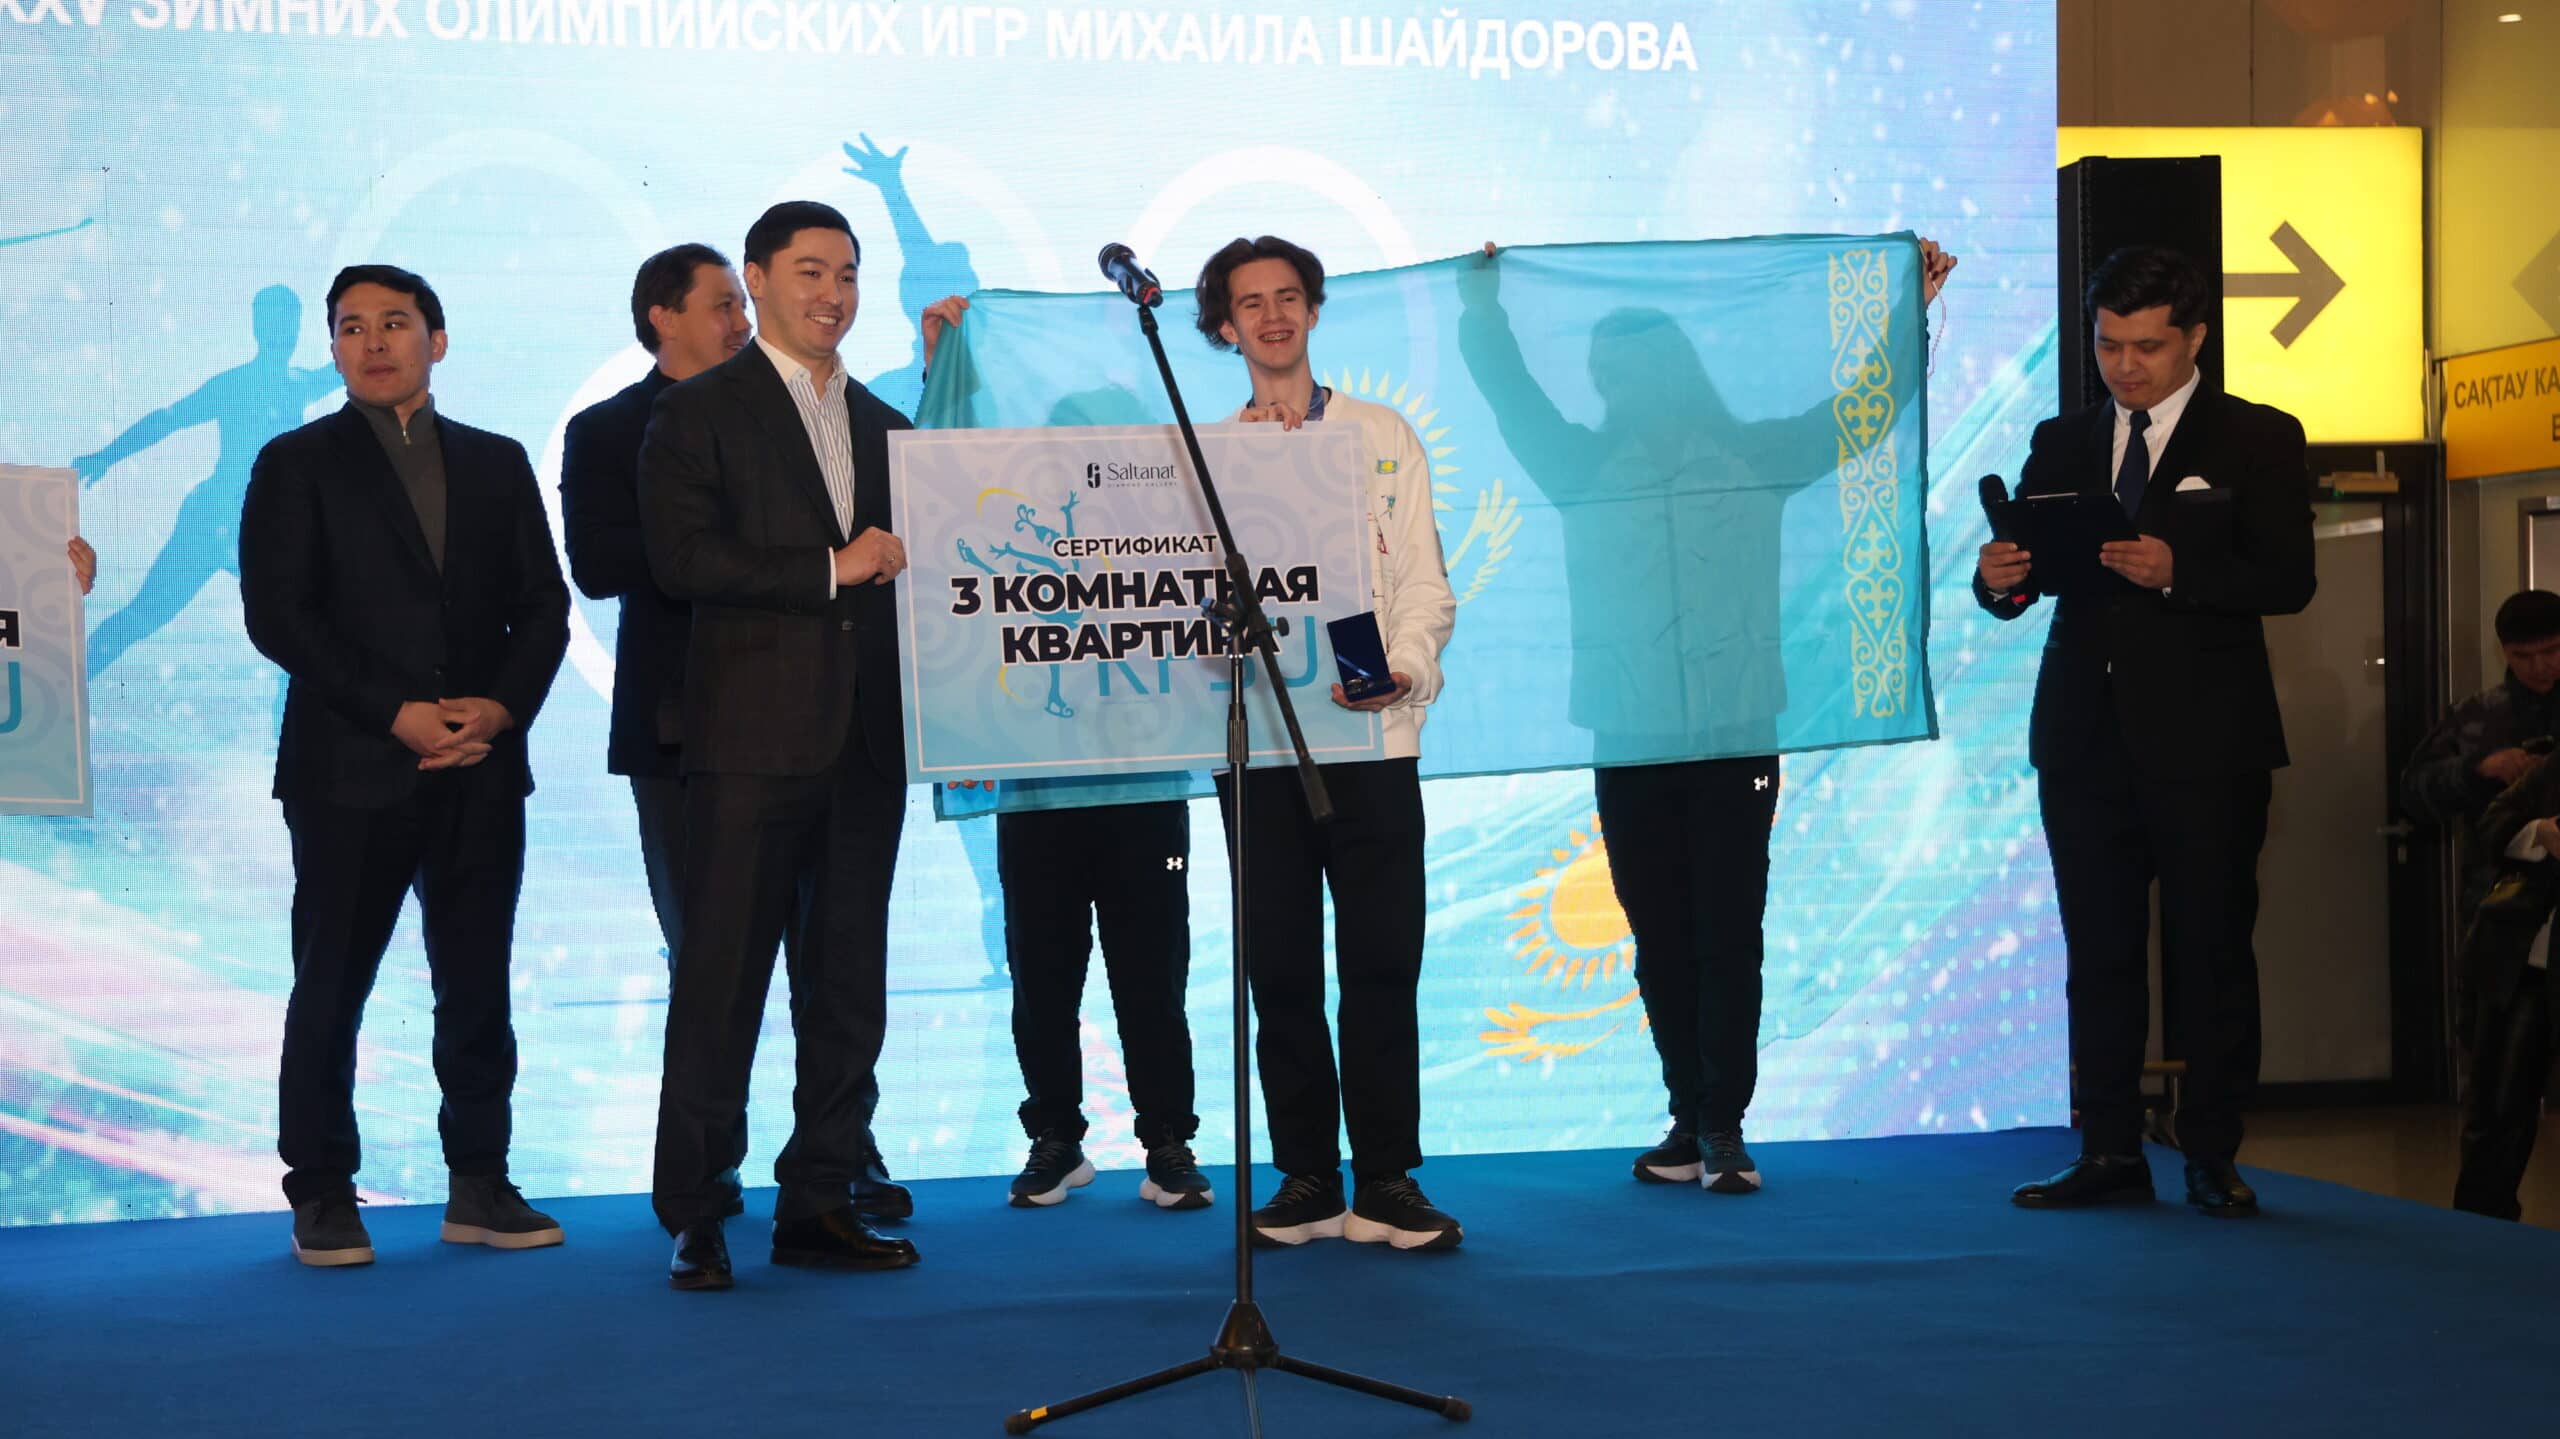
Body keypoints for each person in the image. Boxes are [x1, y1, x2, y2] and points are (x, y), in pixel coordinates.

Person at [1458, 237, 1956, 1197]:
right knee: (1658, 935)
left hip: (1735, 734)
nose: (1615, 385)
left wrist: (1912, 304)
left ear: (1675, 369)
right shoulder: (1579, 464)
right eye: (1604, 372)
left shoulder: (1753, 456)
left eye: (1630, 368)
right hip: (1629, 735)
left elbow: (1859, 413)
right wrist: (1483, 308)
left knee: (1728, 931)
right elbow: (1510, 394)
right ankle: (1688, 1115)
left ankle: (1724, 1123)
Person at [639, 200, 957, 1291]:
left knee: (847, 986)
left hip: (865, 746)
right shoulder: (698, 412)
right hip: (748, 743)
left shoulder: (885, 424)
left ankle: (821, 1195)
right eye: (811, 271)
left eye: (849, 274)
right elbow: (682, 559)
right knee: (721, 982)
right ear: (759, 278)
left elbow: (926, 578)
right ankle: (696, 1206)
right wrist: (833, 565)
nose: (833, 294)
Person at [237, 264, 572, 1266]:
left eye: (394, 322)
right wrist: (396, 713)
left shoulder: (497, 460)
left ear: (438, 338)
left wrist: (499, 708)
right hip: (349, 768)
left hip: (480, 762)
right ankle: (322, 1188)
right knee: (331, 984)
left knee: (476, 983)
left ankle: (480, 1180)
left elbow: (544, 606)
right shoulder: (296, 461)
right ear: (334, 349)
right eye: (351, 327)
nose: (373, 341)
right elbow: (279, 614)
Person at [1976, 244, 2315, 1217]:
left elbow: (2289, 579)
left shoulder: (2257, 436)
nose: (2125, 365)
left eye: (2148, 346)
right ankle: (2110, 1150)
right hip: (2082, 739)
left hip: (2209, 743)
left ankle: (2211, 1152)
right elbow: (2027, 574)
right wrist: (1998, 582)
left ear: (2195, 336)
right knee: (2099, 953)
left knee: (2212, 950)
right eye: (2108, 344)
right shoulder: (2062, 437)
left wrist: (2181, 573)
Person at [1189, 236, 1460, 1251]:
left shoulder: (1380, 433)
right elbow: (1186, 616)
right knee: (1282, 971)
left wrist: (1406, 668)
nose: (1272, 316)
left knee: (1384, 961)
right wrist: (1263, 473)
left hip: (1372, 739)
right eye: (1250, 303)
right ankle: (1306, 1174)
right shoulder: (1208, 456)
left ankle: (1387, 1177)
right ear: (1224, 328)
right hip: (1259, 745)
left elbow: (1424, 583)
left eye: (1288, 297)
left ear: (1312, 310)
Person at [559, 244, 751, 968]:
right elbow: (597, 567)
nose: (743, 323)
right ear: (664, 318)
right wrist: (713, 542)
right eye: (723, 306)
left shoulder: (786, 417)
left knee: (816, 946)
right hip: (676, 725)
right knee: (701, 952)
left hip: (798, 718)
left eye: (743, 306)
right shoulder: (605, 430)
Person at [73, 284, 341, 677]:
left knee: (304, 631)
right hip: (211, 519)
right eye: (274, 321)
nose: (283, 331)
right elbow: (167, 420)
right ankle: (68, 684)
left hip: (264, 528)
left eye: (290, 321)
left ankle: (292, 716)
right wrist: (107, 455)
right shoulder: (233, 385)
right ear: (258, 326)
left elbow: (349, 369)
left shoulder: (300, 383)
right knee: (145, 614)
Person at [2400, 589, 2560, 1221]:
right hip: (2504, 925)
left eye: (2553, 651)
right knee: (2497, 1097)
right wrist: (2479, 771)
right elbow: (2414, 793)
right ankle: (2484, 1233)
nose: (2542, 667)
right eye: (2526, 655)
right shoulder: (2479, 715)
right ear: (2504, 653)